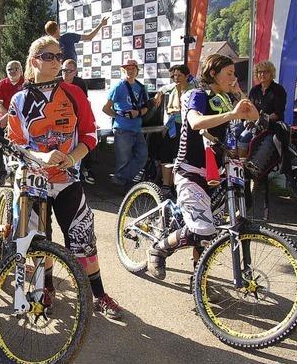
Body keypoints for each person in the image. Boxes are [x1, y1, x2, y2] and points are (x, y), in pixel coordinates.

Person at [8, 35, 123, 319]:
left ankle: (98, 294)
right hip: (33, 182)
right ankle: (45, 288)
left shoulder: (74, 93)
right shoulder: (19, 99)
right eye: (50, 56)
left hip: (67, 179)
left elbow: (90, 135)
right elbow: (15, 142)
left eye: (59, 56)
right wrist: (41, 157)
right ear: (35, 60)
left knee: (83, 238)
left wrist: (72, 158)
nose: (57, 61)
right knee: (38, 240)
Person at [147, 54, 258, 280]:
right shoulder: (197, 94)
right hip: (190, 169)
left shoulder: (227, 98)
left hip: (216, 172)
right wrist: (232, 113)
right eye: (229, 73)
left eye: (234, 74)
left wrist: (239, 95)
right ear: (213, 73)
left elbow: (253, 115)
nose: (233, 77)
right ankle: (158, 249)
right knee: (202, 230)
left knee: (208, 231)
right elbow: (195, 122)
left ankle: (199, 281)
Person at [102, 59, 150, 190]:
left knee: (142, 156)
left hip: (137, 128)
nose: (130, 71)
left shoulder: (141, 87)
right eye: (127, 68)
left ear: (137, 71)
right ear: (124, 70)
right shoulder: (118, 86)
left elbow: (146, 107)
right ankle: (123, 185)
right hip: (122, 129)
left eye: (132, 68)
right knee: (123, 160)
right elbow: (106, 108)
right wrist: (119, 116)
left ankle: (119, 179)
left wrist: (137, 113)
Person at [152, 64, 195, 192]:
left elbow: (184, 109)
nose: (176, 78)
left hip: (187, 127)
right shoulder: (173, 87)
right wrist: (158, 94)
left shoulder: (193, 89)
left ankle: (177, 186)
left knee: (181, 156)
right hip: (173, 126)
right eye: (174, 75)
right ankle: (166, 185)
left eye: (179, 75)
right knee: (166, 153)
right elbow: (165, 88)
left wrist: (176, 110)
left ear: (187, 76)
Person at [0, 60, 24, 186]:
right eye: (9, 69)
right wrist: (6, 117)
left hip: (21, 119)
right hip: (2, 118)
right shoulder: (1, 84)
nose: (12, 71)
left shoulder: (26, 83)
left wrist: (11, 117)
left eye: (15, 68)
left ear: (21, 70)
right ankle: (1, 172)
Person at [61, 59, 94, 184]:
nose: (66, 73)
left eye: (69, 71)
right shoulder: (57, 82)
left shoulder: (80, 83)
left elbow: (85, 104)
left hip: (77, 116)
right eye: (64, 70)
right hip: (63, 117)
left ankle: (87, 169)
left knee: (86, 140)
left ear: (75, 72)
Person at [44, 17, 109, 62]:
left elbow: (89, 37)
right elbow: (89, 37)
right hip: (71, 71)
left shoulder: (50, 45)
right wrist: (101, 24)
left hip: (61, 72)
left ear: (48, 33)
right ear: (58, 28)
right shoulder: (68, 36)